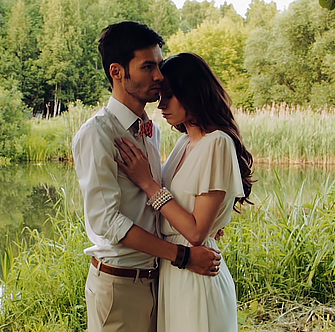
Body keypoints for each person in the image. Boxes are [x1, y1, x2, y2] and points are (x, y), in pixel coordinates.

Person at [72, 22, 222, 332]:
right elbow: (107, 221)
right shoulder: (98, 135)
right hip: (121, 285)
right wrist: (183, 256)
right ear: (117, 71)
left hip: (160, 280)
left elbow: (155, 201)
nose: (159, 76)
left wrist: (205, 225)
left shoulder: (149, 129)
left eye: (160, 66)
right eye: (148, 67)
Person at [115, 52, 254, 332]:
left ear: (192, 93)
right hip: (173, 270)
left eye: (169, 95)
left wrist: (148, 183)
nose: (161, 104)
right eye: (160, 96)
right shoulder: (182, 144)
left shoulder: (217, 143)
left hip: (196, 272)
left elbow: (196, 232)